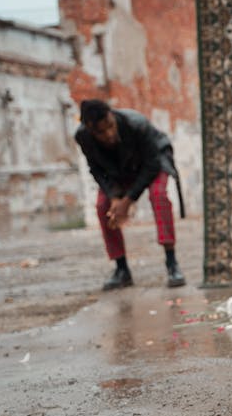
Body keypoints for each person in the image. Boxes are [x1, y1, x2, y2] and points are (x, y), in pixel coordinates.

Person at [75, 99, 187, 291]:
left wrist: (127, 201)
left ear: (112, 115)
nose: (109, 134)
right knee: (103, 207)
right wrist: (114, 197)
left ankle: (172, 263)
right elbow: (95, 169)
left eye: (110, 126)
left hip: (154, 161)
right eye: (101, 132)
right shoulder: (83, 137)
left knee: (158, 196)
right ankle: (121, 269)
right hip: (119, 170)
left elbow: (152, 165)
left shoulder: (137, 124)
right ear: (90, 130)